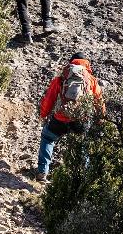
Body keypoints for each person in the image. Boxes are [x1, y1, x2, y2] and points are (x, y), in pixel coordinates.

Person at [36, 52, 106, 182]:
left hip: (61, 117)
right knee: (82, 145)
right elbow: (99, 101)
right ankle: (82, 178)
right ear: (87, 64)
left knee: (48, 138)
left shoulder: (62, 77)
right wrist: (101, 119)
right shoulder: (91, 79)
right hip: (81, 119)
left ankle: (42, 172)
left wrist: (43, 114)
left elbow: (49, 98)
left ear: (71, 62)